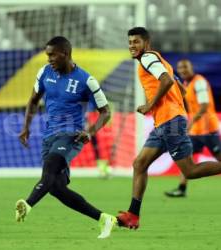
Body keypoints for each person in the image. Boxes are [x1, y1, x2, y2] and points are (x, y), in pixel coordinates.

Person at [116, 27, 221, 229]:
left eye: (136, 42)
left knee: (189, 171)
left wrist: (150, 105)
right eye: (130, 42)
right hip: (163, 123)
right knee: (139, 164)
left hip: (170, 121)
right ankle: (133, 215)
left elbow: (165, 80)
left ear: (146, 43)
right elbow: (176, 84)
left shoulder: (147, 58)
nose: (132, 46)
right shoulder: (158, 60)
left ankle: (133, 214)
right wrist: (175, 95)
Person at [16, 36, 116, 239]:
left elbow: (105, 112)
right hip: (49, 135)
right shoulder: (44, 72)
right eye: (47, 55)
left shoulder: (86, 80)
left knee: (50, 167)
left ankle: (28, 204)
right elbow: (33, 100)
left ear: (65, 54)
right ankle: (105, 219)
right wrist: (26, 127)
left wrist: (90, 132)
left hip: (71, 136)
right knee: (56, 187)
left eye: (52, 54)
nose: (49, 59)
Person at [164, 59, 221, 197]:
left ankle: (181, 188)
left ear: (192, 68)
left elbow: (204, 105)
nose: (182, 70)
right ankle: (181, 188)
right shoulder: (186, 84)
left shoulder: (199, 82)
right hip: (196, 131)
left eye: (185, 67)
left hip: (208, 129)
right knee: (186, 159)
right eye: (180, 68)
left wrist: (190, 123)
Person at [86, 101, 112, 178]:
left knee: (100, 148)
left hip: (96, 127)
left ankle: (104, 168)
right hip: (90, 127)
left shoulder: (95, 102)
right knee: (96, 148)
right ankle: (102, 168)